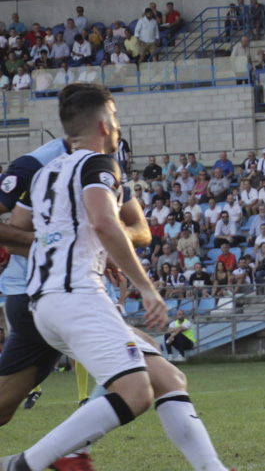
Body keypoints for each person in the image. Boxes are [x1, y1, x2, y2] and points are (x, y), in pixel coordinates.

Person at [1, 83, 229, 471]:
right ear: (105, 124)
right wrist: (146, 286)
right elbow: (105, 222)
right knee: (136, 391)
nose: (119, 126)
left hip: (47, 300)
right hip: (74, 296)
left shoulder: (45, 174)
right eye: (117, 117)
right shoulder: (98, 165)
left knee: (166, 378)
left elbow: (30, 230)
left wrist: (80, 245)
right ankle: (27, 464)